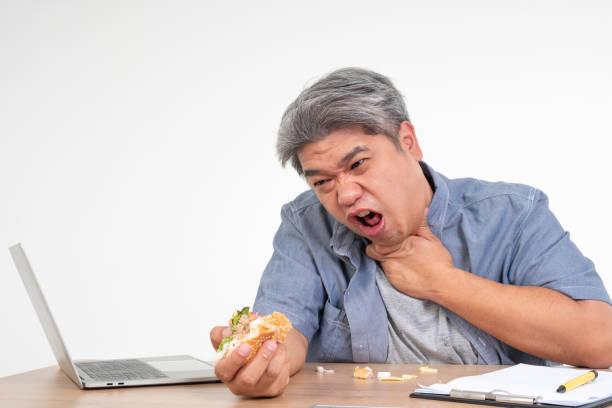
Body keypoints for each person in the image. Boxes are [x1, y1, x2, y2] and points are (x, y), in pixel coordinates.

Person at [210, 67, 612, 397]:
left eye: (358, 165)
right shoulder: (306, 224)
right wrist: (265, 363)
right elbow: (287, 328)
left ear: (408, 141)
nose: (346, 195)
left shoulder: (513, 214)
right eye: (322, 182)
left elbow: (600, 340)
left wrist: (442, 281)